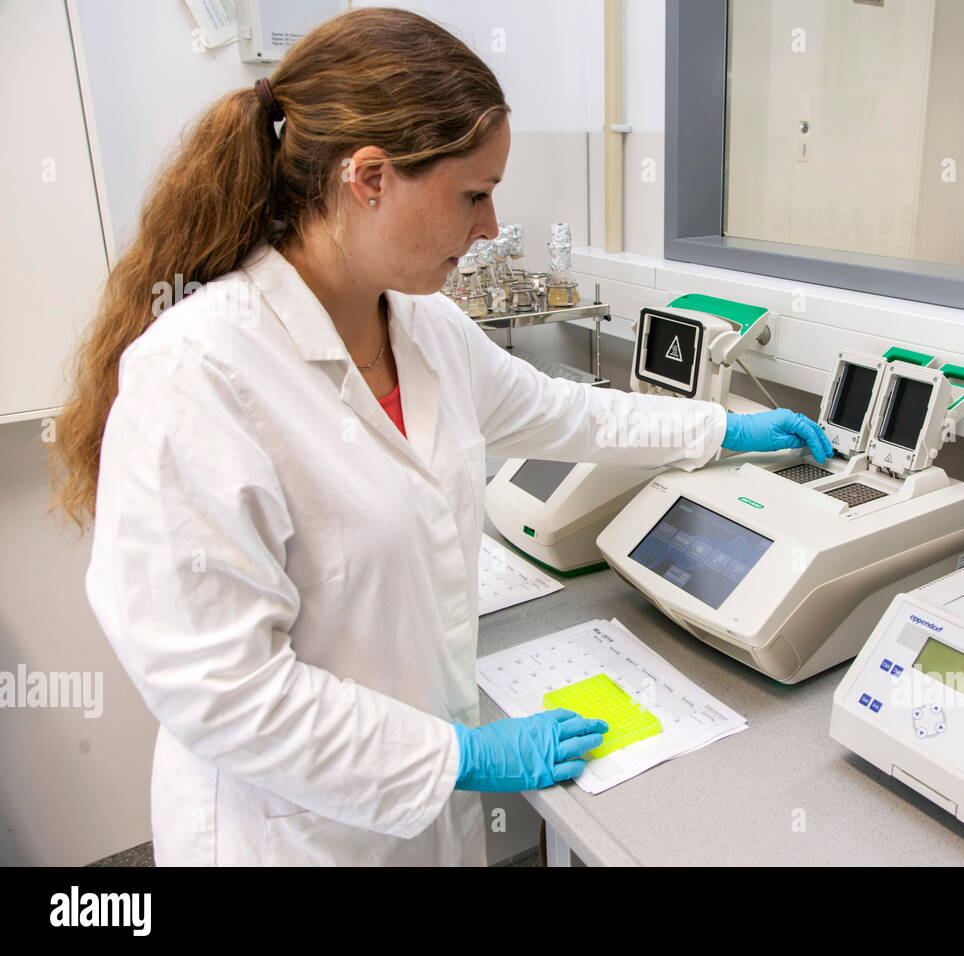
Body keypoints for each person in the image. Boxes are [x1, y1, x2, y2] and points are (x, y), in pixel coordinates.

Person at [52, 7, 831, 866]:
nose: (492, 225)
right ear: (370, 178)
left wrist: (727, 427)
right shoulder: (198, 376)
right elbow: (225, 694)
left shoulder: (427, 330)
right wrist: (455, 756)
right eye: (474, 194)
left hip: (424, 823)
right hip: (291, 834)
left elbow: (573, 414)